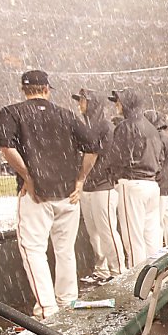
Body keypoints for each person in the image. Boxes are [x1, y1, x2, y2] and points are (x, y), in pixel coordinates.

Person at [0, 70, 98, 319]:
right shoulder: (66, 114)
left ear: (23, 89)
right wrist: (80, 180)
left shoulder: (11, 112)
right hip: (68, 193)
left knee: (33, 250)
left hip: (36, 195)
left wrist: (28, 176)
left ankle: (47, 310)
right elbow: (93, 147)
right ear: (47, 89)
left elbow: (6, 146)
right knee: (64, 250)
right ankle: (68, 302)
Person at [73, 88, 124, 286]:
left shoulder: (105, 126)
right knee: (93, 233)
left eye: (83, 100)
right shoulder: (87, 125)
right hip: (89, 187)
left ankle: (119, 272)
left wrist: (89, 176)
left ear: (93, 102)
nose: (80, 104)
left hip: (104, 186)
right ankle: (102, 270)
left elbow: (106, 157)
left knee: (108, 231)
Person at [110, 89, 164, 268]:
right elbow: (161, 159)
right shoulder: (151, 128)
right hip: (152, 184)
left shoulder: (126, 126)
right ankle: (156, 279)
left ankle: (137, 287)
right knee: (151, 236)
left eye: (118, 102)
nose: (116, 105)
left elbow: (116, 158)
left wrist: (116, 176)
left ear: (127, 104)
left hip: (132, 183)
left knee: (133, 238)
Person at [145, 111, 168, 247]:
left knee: (156, 224)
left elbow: (158, 162)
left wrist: (154, 177)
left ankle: (158, 256)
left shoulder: (157, 138)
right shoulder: (167, 137)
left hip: (162, 185)